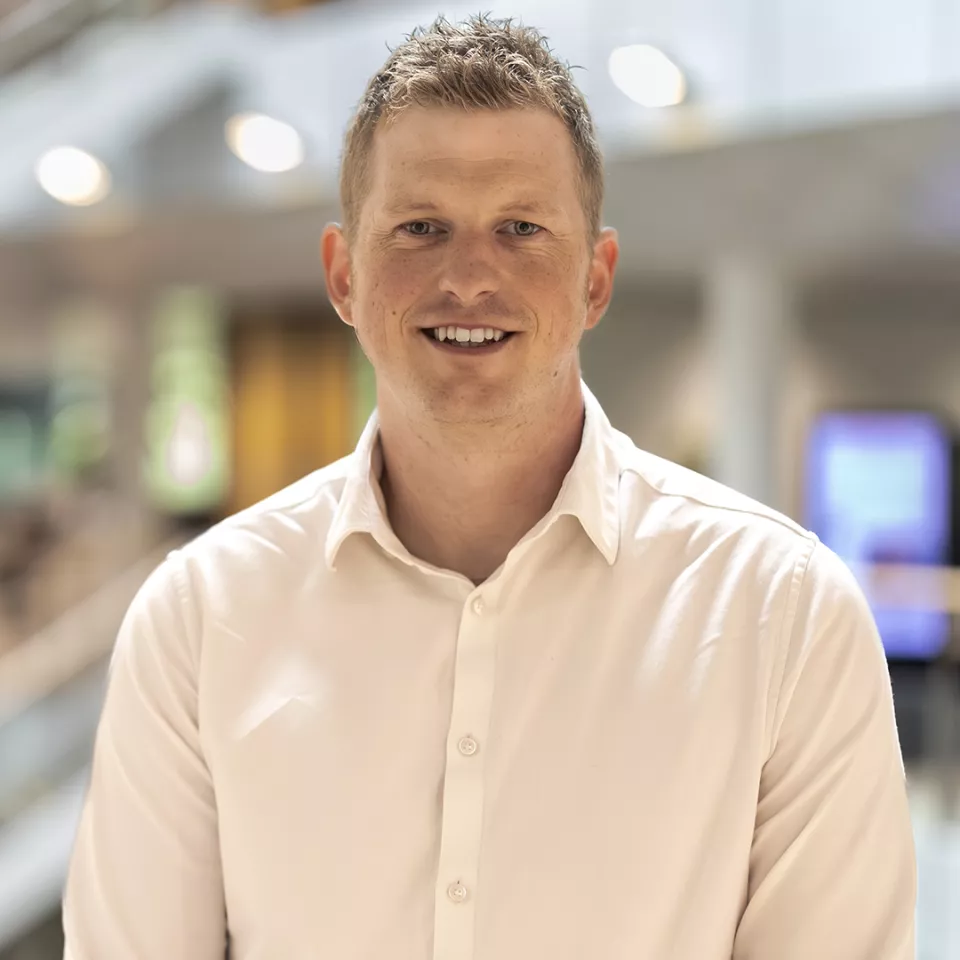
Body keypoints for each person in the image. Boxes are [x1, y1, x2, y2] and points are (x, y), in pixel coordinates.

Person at [62, 14, 916, 960]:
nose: (469, 277)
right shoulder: (197, 620)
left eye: (521, 228)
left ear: (596, 280)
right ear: (344, 275)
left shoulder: (785, 615)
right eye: (421, 228)